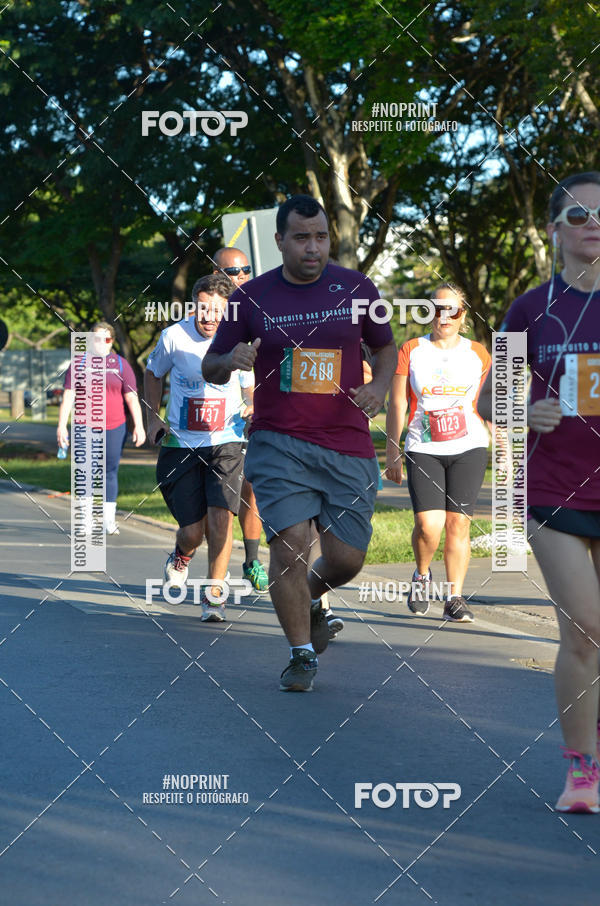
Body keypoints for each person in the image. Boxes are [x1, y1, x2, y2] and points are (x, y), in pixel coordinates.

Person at [203, 194, 397, 691]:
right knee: (289, 546)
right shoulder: (251, 298)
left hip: (347, 441)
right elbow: (212, 363)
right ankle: (301, 654)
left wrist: (377, 385)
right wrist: (232, 360)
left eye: (321, 237)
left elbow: (385, 346)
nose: (314, 248)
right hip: (279, 441)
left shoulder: (357, 288)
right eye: (302, 238)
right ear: (279, 241)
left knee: (347, 558)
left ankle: (312, 596)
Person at [479, 171, 600, 813]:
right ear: (554, 229)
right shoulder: (530, 308)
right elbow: (489, 396)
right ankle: (582, 771)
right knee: (585, 629)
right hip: (556, 491)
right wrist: (526, 411)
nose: (593, 226)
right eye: (579, 216)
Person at [144, 273, 253, 622]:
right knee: (193, 531)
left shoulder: (239, 339)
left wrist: (253, 406)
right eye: (202, 309)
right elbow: (151, 373)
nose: (208, 317)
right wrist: (152, 418)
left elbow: (251, 386)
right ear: (193, 306)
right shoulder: (173, 337)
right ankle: (181, 553)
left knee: (222, 516)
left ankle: (215, 593)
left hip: (226, 441)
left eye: (216, 310)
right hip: (182, 444)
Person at [385, 284, 491, 622]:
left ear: (463, 317)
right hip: (423, 446)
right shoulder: (413, 350)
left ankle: (455, 596)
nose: (444, 316)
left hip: (469, 445)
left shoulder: (478, 354)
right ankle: (420, 574)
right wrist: (392, 449)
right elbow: (399, 402)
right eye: (436, 309)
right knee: (429, 526)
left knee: (458, 523)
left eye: (452, 310)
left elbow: (488, 403)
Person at [212, 247, 268, 594]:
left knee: (252, 490)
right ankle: (189, 551)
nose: (240, 276)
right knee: (215, 505)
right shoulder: (206, 312)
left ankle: (251, 560)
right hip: (210, 425)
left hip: (251, 416)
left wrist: (255, 402)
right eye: (233, 271)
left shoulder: (261, 307)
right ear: (216, 272)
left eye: (245, 269)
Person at [57, 321, 146, 534]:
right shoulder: (78, 364)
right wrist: (62, 426)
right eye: (96, 338)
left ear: (112, 341)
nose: (101, 343)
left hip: (115, 426)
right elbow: (69, 396)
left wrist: (139, 426)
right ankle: (86, 520)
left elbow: (132, 398)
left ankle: (108, 520)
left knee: (109, 471)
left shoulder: (121, 365)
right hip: (84, 425)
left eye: (106, 339)